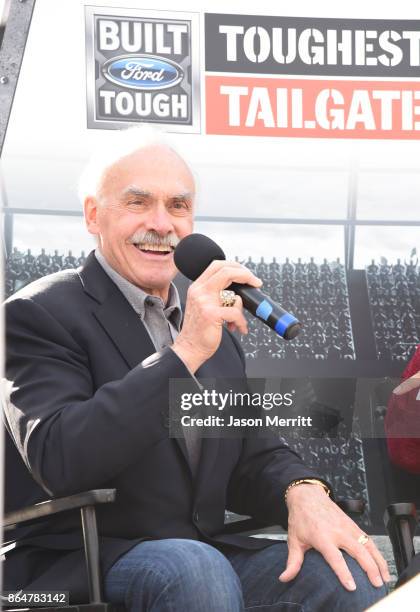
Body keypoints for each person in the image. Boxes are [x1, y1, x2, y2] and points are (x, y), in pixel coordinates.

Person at [3, 127, 389, 611]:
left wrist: (303, 491)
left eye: (178, 206)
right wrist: (182, 354)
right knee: (193, 568)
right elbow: (61, 458)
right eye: (138, 203)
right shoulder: (35, 314)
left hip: (201, 557)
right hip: (79, 562)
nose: (162, 224)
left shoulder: (211, 323)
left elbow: (252, 454)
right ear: (93, 215)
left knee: (348, 569)